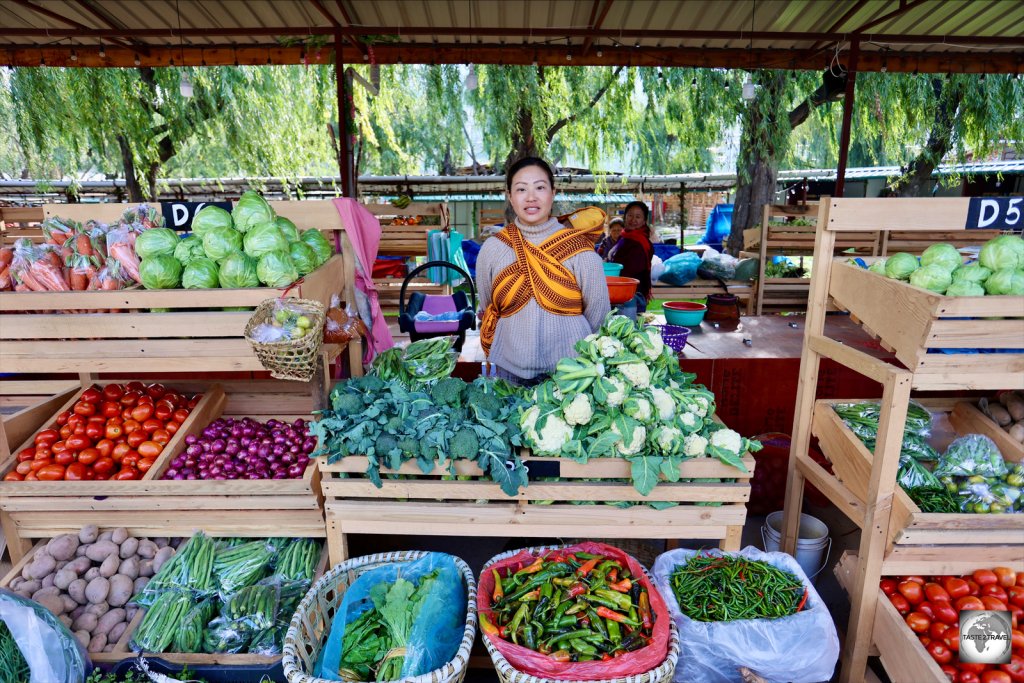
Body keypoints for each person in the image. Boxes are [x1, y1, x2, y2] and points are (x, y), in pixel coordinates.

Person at [476, 157, 611, 385]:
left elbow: (598, 318)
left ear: (553, 192)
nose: (531, 197)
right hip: (508, 372)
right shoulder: (493, 248)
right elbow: (490, 305)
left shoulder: (581, 252)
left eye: (540, 187)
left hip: (572, 376)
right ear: (510, 195)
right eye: (521, 189)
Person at [610, 200, 654, 313]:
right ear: (625, 217)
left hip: (632, 297)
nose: (633, 220)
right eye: (630, 215)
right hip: (619, 292)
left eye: (638, 216)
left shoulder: (642, 243)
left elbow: (631, 270)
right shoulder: (624, 237)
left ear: (644, 220)